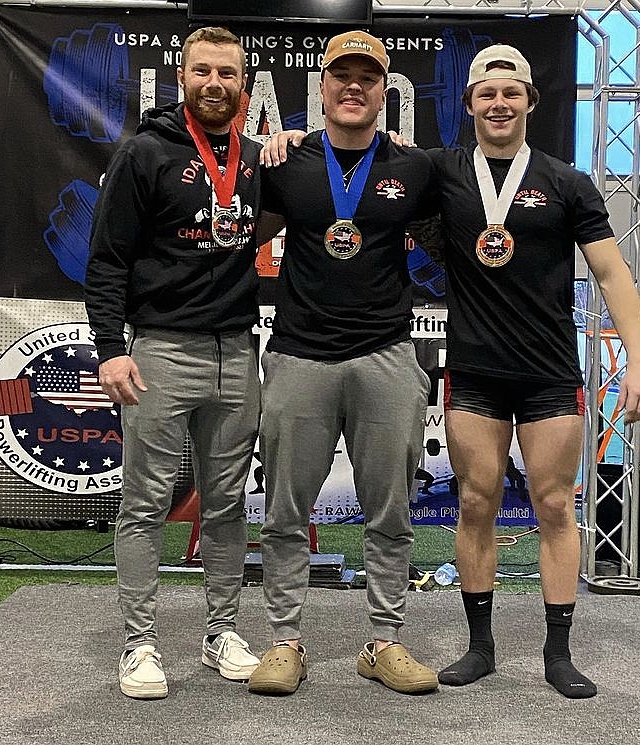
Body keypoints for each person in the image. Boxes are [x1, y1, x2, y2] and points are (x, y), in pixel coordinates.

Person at [427, 45, 640, 698]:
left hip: (550, 374)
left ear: (531, 100)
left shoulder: (566, 181)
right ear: (468, 104)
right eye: (486, 93)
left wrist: (639, 359)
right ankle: (480, 645)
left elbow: (612, 272)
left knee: (555, 505)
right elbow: (368, 158)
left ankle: (559, 651)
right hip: (474, 371)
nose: (499, 103)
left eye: (511, 92)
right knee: (476, 503)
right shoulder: (442, 175)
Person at [246, 30, 439, 696]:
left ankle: (383, 640)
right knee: (283, 509)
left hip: (385, 354)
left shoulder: (415, 168)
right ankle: (283, 642)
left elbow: (463, 240)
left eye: (368, 77)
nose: (354, 86)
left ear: (384, 92)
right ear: (322, 87)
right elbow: (230, 235)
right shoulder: (286, 161)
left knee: (391, 509)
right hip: (300, 354)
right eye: (342, 76)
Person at [85, 27, 271, 699]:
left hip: (237, 352)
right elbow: (106, 259)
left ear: (243, 84)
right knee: (144, 502)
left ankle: (221, 630)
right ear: (183, 77)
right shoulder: (144, 153)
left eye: (227, 72)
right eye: (203, 72)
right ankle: (139, 643)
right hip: (161, 348)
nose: (214, 82)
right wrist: (110, 348)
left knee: (224, 504)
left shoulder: (255, 159)